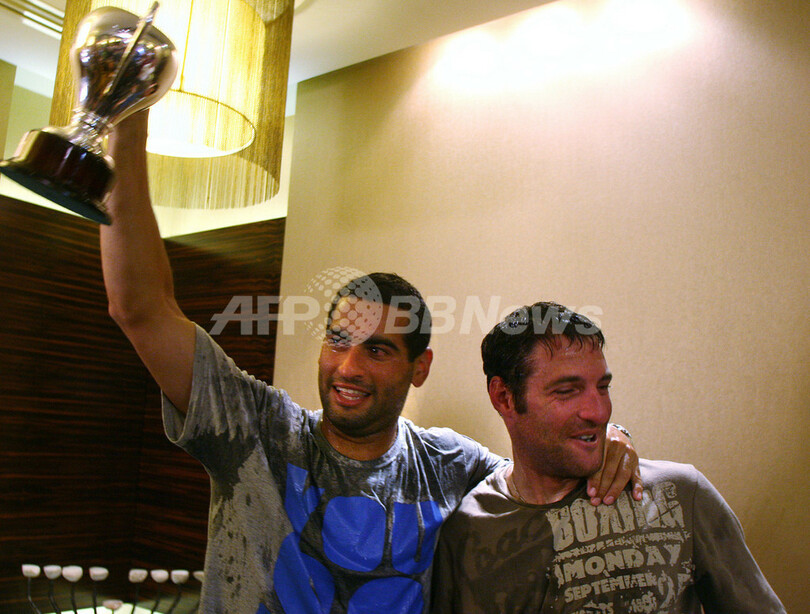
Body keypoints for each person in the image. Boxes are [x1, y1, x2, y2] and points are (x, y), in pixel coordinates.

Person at [100, 113, 641, 614]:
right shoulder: (257, 432)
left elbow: (540, 469)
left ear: (419, 367)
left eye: (377, 350)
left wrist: (611, 437)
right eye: (338, 341)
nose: (348, 367)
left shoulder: (450, 464)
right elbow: (140, 309)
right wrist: (126, 127)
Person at [430, 302, 785, 613]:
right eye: (567, 391)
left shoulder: (679, 494)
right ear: (504, 398)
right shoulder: (466, 532)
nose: (598, 412)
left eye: (603, 387)